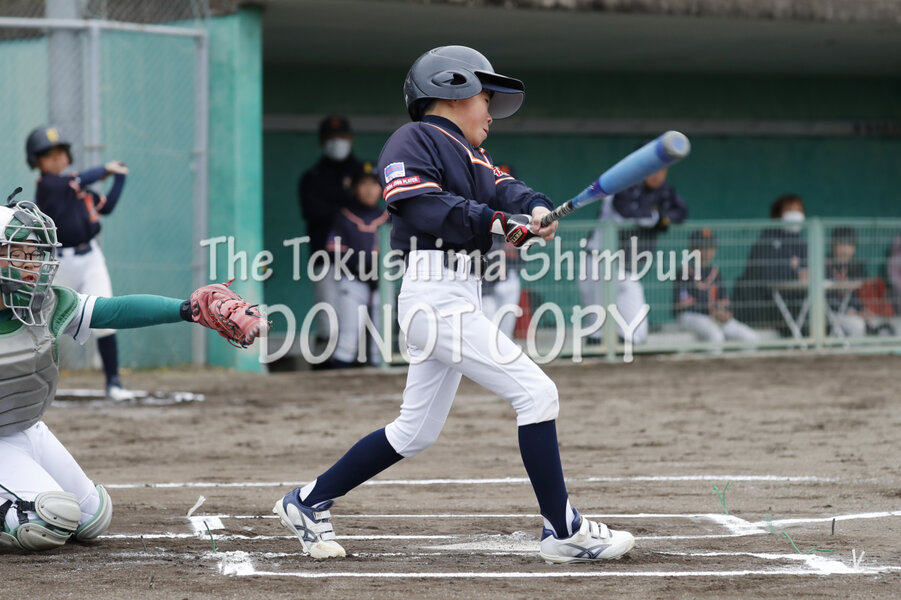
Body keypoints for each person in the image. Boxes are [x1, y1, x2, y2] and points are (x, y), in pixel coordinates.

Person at [273, 45, 635, 564]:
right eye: (486, 99)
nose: (491, 112)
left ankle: (307, 501)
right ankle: (564, 530)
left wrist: (534, 207)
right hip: (434, 295)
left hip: (459, 293)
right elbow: (421, 203)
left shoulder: (473, 156)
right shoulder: (416, 137)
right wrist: (496, 222)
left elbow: (505, 187)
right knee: (537, 394)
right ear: (451, 89)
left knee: (413, 432)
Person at [0, 193, 267, 552]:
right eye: (19, 255)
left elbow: (116, 310)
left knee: (92, 517)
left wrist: (187, 310)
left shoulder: (46, 303)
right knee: (47, 520)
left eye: (35, 254)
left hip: (27, 427)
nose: (33, 265)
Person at [26, 125, 132, 401]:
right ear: (36, 161)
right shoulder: (48, 186)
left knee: (105, 317)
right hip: (57, 264)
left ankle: (114, 382)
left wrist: (120, 177)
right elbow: (77, 180)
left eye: (60, 152)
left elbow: (107, 206)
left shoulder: (77, 189)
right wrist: (106, 169)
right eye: (47, 155)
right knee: (43, 326)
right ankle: (30, 387)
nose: (55, 159)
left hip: (91, 259)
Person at [581, 165, 687, 345]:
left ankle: (622, 356)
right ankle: (599, 355)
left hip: (623, 266)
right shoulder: (623, 186)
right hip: (598, 260)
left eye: (662, 170)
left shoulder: (663, 190)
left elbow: (681, 212)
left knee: (636, 331)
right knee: (597, 327)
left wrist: (660, 218)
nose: (658, 176)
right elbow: (628, 213)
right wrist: (657, 218)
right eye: (653, 170)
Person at [298, 117, 364, 356]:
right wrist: (346, 210)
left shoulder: (362, 173)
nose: (337, 142)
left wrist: (339, 210)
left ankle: (357, 361)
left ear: (351, 139)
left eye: (342, 137)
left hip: (360, 260)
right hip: (324, 257)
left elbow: (367, 210)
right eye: (331, 138)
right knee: (328, 316)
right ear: (321, 141)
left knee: (359, 316)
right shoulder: (312, 176)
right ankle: (325, 364)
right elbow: (313, 211)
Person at [326, 162, 389, 368]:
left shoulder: (388, 217)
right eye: (364, 184)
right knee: (348, 337)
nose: (370, 189)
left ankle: (376, 378)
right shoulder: (344, 216)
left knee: (380, 341)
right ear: (354, 187)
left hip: (382, 285)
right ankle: (339, 379)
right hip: (352, 281)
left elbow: (399, 254)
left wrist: (379, 273)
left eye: (374, 184)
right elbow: (334, 251)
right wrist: (361, 269)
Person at [733, 194, 808, 334]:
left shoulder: (800, 242)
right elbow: (765, 274)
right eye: (789, 209)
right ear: (778, 215)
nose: (795, 214)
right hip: (763, 305)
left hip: (792, 302)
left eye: (798, 210)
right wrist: (793, 272)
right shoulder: (767, 239)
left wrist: (804, 273)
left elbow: (807, 269)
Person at [673, 228, 757, 348]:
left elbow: (723, 300)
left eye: (710, 247)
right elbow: (684, 305)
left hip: (713, 317)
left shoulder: (715, 272)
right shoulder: (684, 271)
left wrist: (724, 312)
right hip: (690, 316)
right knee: (716, 336)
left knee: (750, 337)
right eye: (702, 247)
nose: (707, 251)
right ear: (692, 249)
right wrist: (712, 311)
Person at [480, 164, 523, 340]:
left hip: (507, 277)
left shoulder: (517, 214)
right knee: (488, 326)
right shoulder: (482, 209)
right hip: (484, 281)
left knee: (505, 335)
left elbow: (521, 254)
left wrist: (507, 262)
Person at [825, 226, 867, 338]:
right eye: (841, 245)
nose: (845, 251)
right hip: (829, 314)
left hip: (851, 312)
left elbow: (857, 297)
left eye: (849, 245)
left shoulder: (856, 267)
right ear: (832, 245)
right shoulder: (823, 265)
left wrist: (861, 310)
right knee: (858, 325)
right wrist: (847, 310)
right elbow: (824, 300)